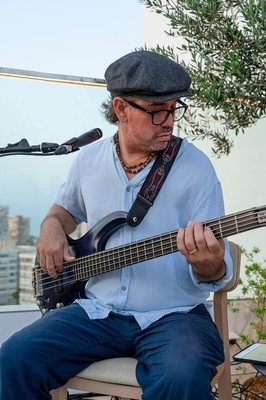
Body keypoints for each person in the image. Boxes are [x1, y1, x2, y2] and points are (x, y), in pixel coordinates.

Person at [0, 50, 233, 400]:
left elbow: (216, 268)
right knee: (12, 360)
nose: (168, 121)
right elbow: (63, 211)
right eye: (156, 112)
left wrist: (209, 264)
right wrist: (50, 228)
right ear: (121, 109)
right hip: (96, 311)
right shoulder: (88, 160)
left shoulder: (196, 169)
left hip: (174, 315)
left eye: (173, 110)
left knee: (180, 376)